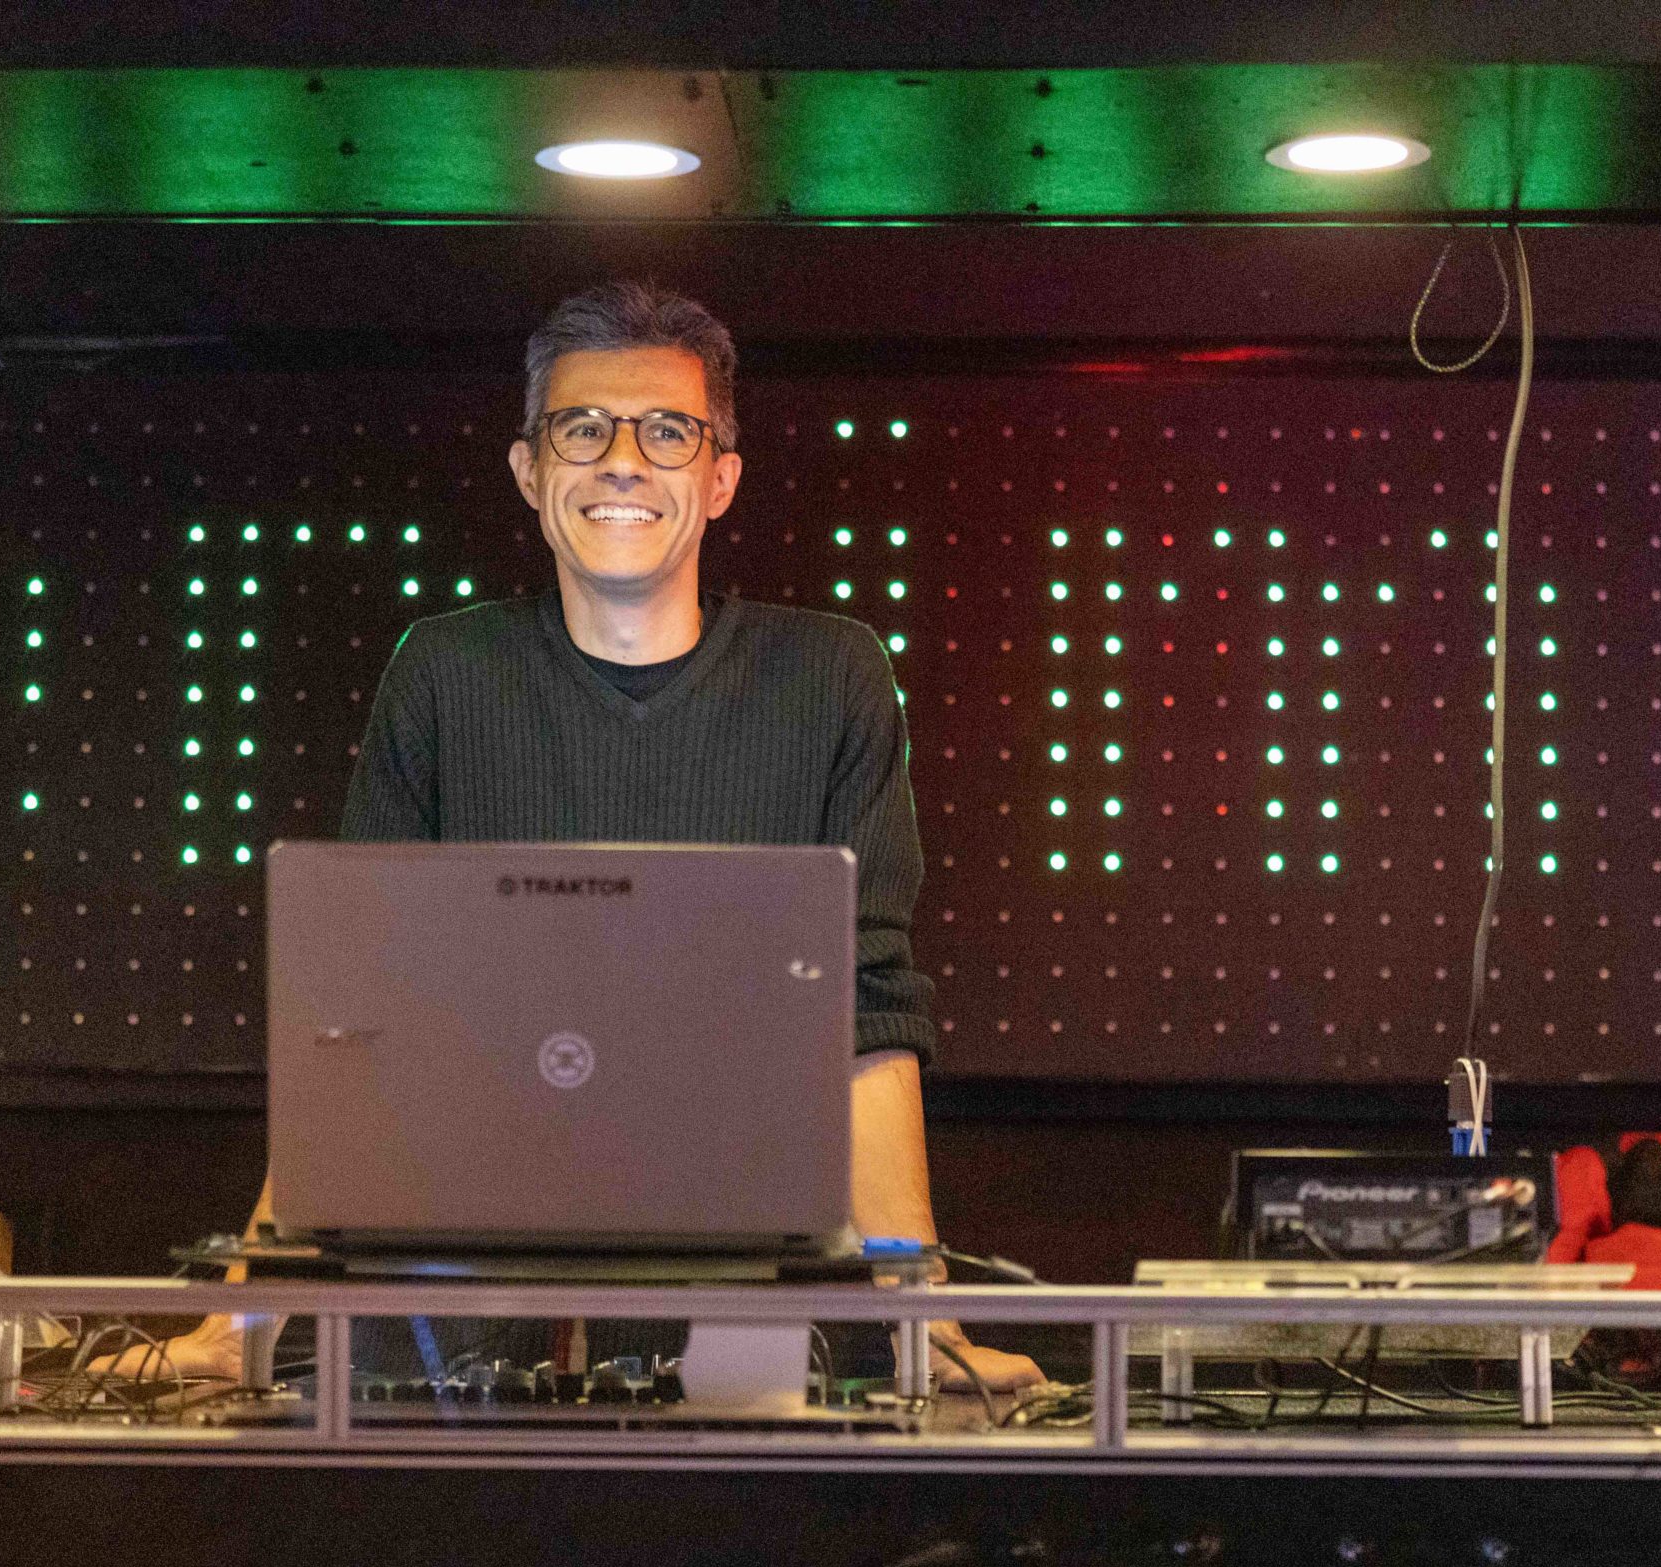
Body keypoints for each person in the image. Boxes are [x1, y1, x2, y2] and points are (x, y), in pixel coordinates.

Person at [144, 281, 1041, 1394]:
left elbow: (869, 1015)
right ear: (530, 472)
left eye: (667, 431)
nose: (623, 461)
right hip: (456, 1337)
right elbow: (358, 1024)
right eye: (583, 429)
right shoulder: (442, 674)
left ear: (721, 479)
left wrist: (925, 1326)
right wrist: (237, 1324)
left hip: (757, 1332)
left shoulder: (832, 678)